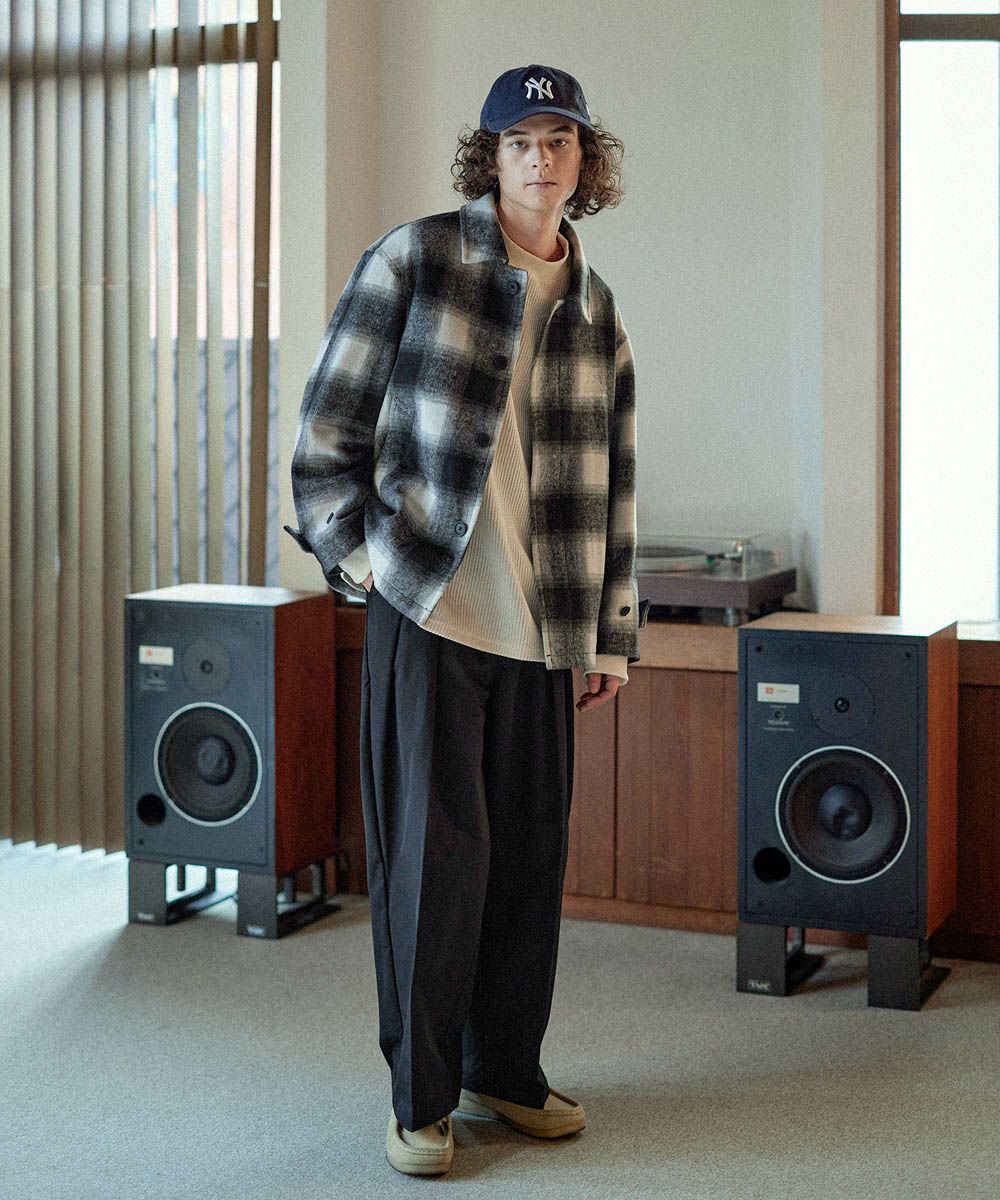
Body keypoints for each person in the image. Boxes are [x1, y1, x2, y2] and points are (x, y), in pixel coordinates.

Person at [286, 64, 647, 1177]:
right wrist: (368, 568)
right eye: (518, 140)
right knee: (432, 871)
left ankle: (505, 1073)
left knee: (526, 869)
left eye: (559, 140)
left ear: (585, 163)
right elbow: (325, 436)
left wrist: (609, 634)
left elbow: (616, 485)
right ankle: (423, 1099)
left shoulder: (594, 307)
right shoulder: (415, 259)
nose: (540, 158)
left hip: (545, 631)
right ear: (489, 158)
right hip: (432, 612)